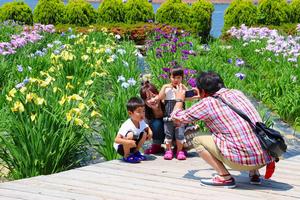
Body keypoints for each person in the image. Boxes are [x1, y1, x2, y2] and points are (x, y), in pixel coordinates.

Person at [170, 71, 274, 188]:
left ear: (203, 91)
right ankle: (254, 173)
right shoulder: (236, 93)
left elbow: (177, 118)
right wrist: (203, 94)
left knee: (197, 140)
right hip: (265, 157)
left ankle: (224, 177)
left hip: (241, 162)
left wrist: (179, 99)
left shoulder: (207, 103)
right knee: (244, 130)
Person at [153, 67, 188, 160]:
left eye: (179, 77)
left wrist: (185, 90)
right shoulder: (167, 88)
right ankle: (168, 150)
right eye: (173, 77)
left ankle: (179, 151)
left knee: (180, 133)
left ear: (182, 78)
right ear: (170, 77)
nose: (176, 80)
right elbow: (160, 97)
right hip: (168, 115)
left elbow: (188, 97)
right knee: (168, 133)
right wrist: (164, 87)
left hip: (180, 117)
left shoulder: (182, 88)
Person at [114, 97, 153, 163]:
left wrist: (150, 132)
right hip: (122, 147)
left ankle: (135, 152)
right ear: (130, 113)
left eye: (143, 111)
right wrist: (127, 142)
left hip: (133, 145)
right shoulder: (127, 125)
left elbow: (147, 127)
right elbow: (116, 140)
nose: (142, 114)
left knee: (144, 134)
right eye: (139, 112)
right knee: (130, 134)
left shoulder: (141, 122)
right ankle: (127, 156)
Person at [140, 81, 165, 154]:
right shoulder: (145, 111)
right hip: (158, 135)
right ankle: (157, 146)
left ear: (159, 94)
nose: (152, 100)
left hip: (172, 132)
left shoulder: (167, 104)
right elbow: (143, 125)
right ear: (144, 101)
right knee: (156, 123)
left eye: (154, 96)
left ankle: (177, 145)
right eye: (148, 99)